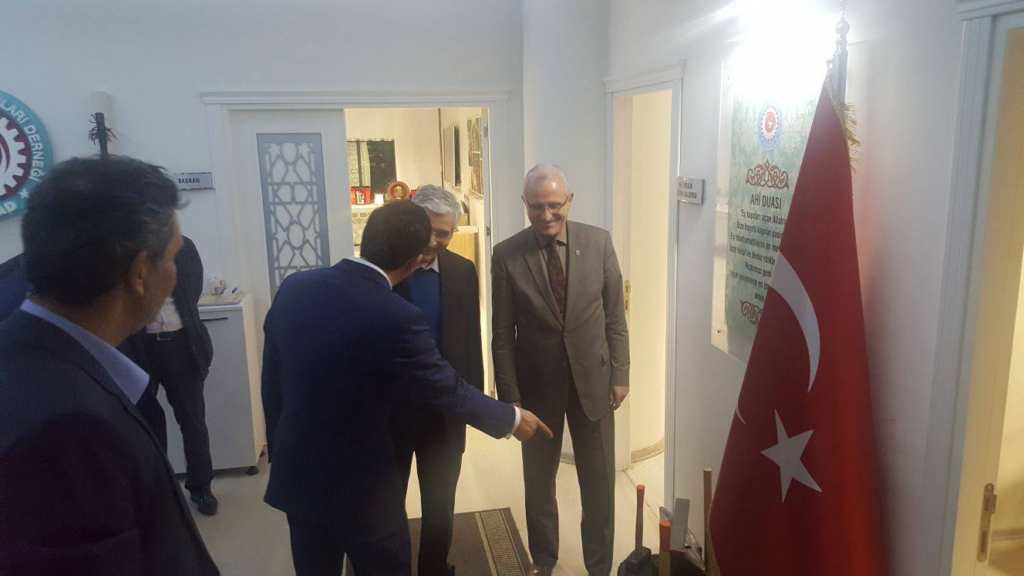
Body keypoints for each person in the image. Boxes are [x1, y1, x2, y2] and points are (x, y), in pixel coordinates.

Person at [261, 200, 553, 576]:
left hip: (299, 478)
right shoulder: (395, 315)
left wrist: (280, 447)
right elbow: (445, 386)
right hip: (366, 489)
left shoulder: (294, 288)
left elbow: (273, 382)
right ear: (415, 261)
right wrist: (511, 419)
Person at [0, 156, 219, 575]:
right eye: (171, 258)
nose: (175, 273)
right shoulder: (72, 426)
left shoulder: (28, 352)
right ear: (139, 273)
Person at [491, 164, 630, 576]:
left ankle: (599, 566)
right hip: (536, 389)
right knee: (539, 484)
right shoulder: (507, 254)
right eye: (536, 207)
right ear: (524, 204)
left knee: (599, 484)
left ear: (570, 200)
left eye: (554, 205)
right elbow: (502, 334)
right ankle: (544, 561)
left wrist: (620, 373)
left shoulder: (599, 242)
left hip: (595, 383)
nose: (546, 215)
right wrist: (510, 396)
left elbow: (615, 317)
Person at [393, 186, 482, 575]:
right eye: (427, 230)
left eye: (443, 233)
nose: (433, 240)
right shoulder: (385, 270)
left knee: (440, 507)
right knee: (388, 504)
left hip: (444, 413)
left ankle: (433, 568)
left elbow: (470, 342)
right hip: (392, 413)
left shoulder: (463, 272)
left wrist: (473, 405)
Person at [122, 234, 217, 515]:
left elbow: (193, 289)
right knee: (143, 424)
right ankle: (153, 493)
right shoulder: (123, 249)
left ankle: (201, 488)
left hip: (181, 347)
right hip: (139, 347)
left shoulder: (183, 247)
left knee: (193, 422)